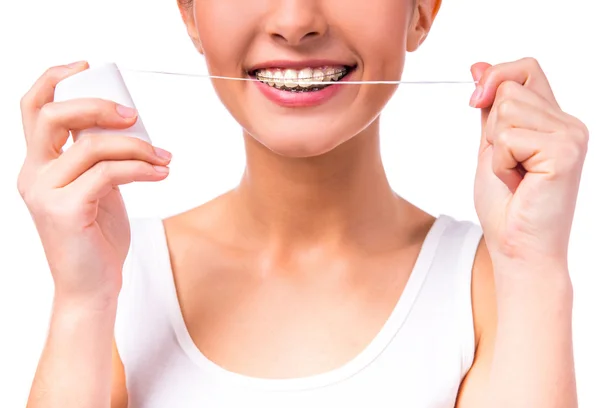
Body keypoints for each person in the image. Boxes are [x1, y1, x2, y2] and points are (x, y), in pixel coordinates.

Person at [18, 0, 588, 407]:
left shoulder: (492, 286)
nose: (295, 22)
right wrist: (83, 302)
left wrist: (533, 268)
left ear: (423, 10)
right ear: (190, 13)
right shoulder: (117, 281)